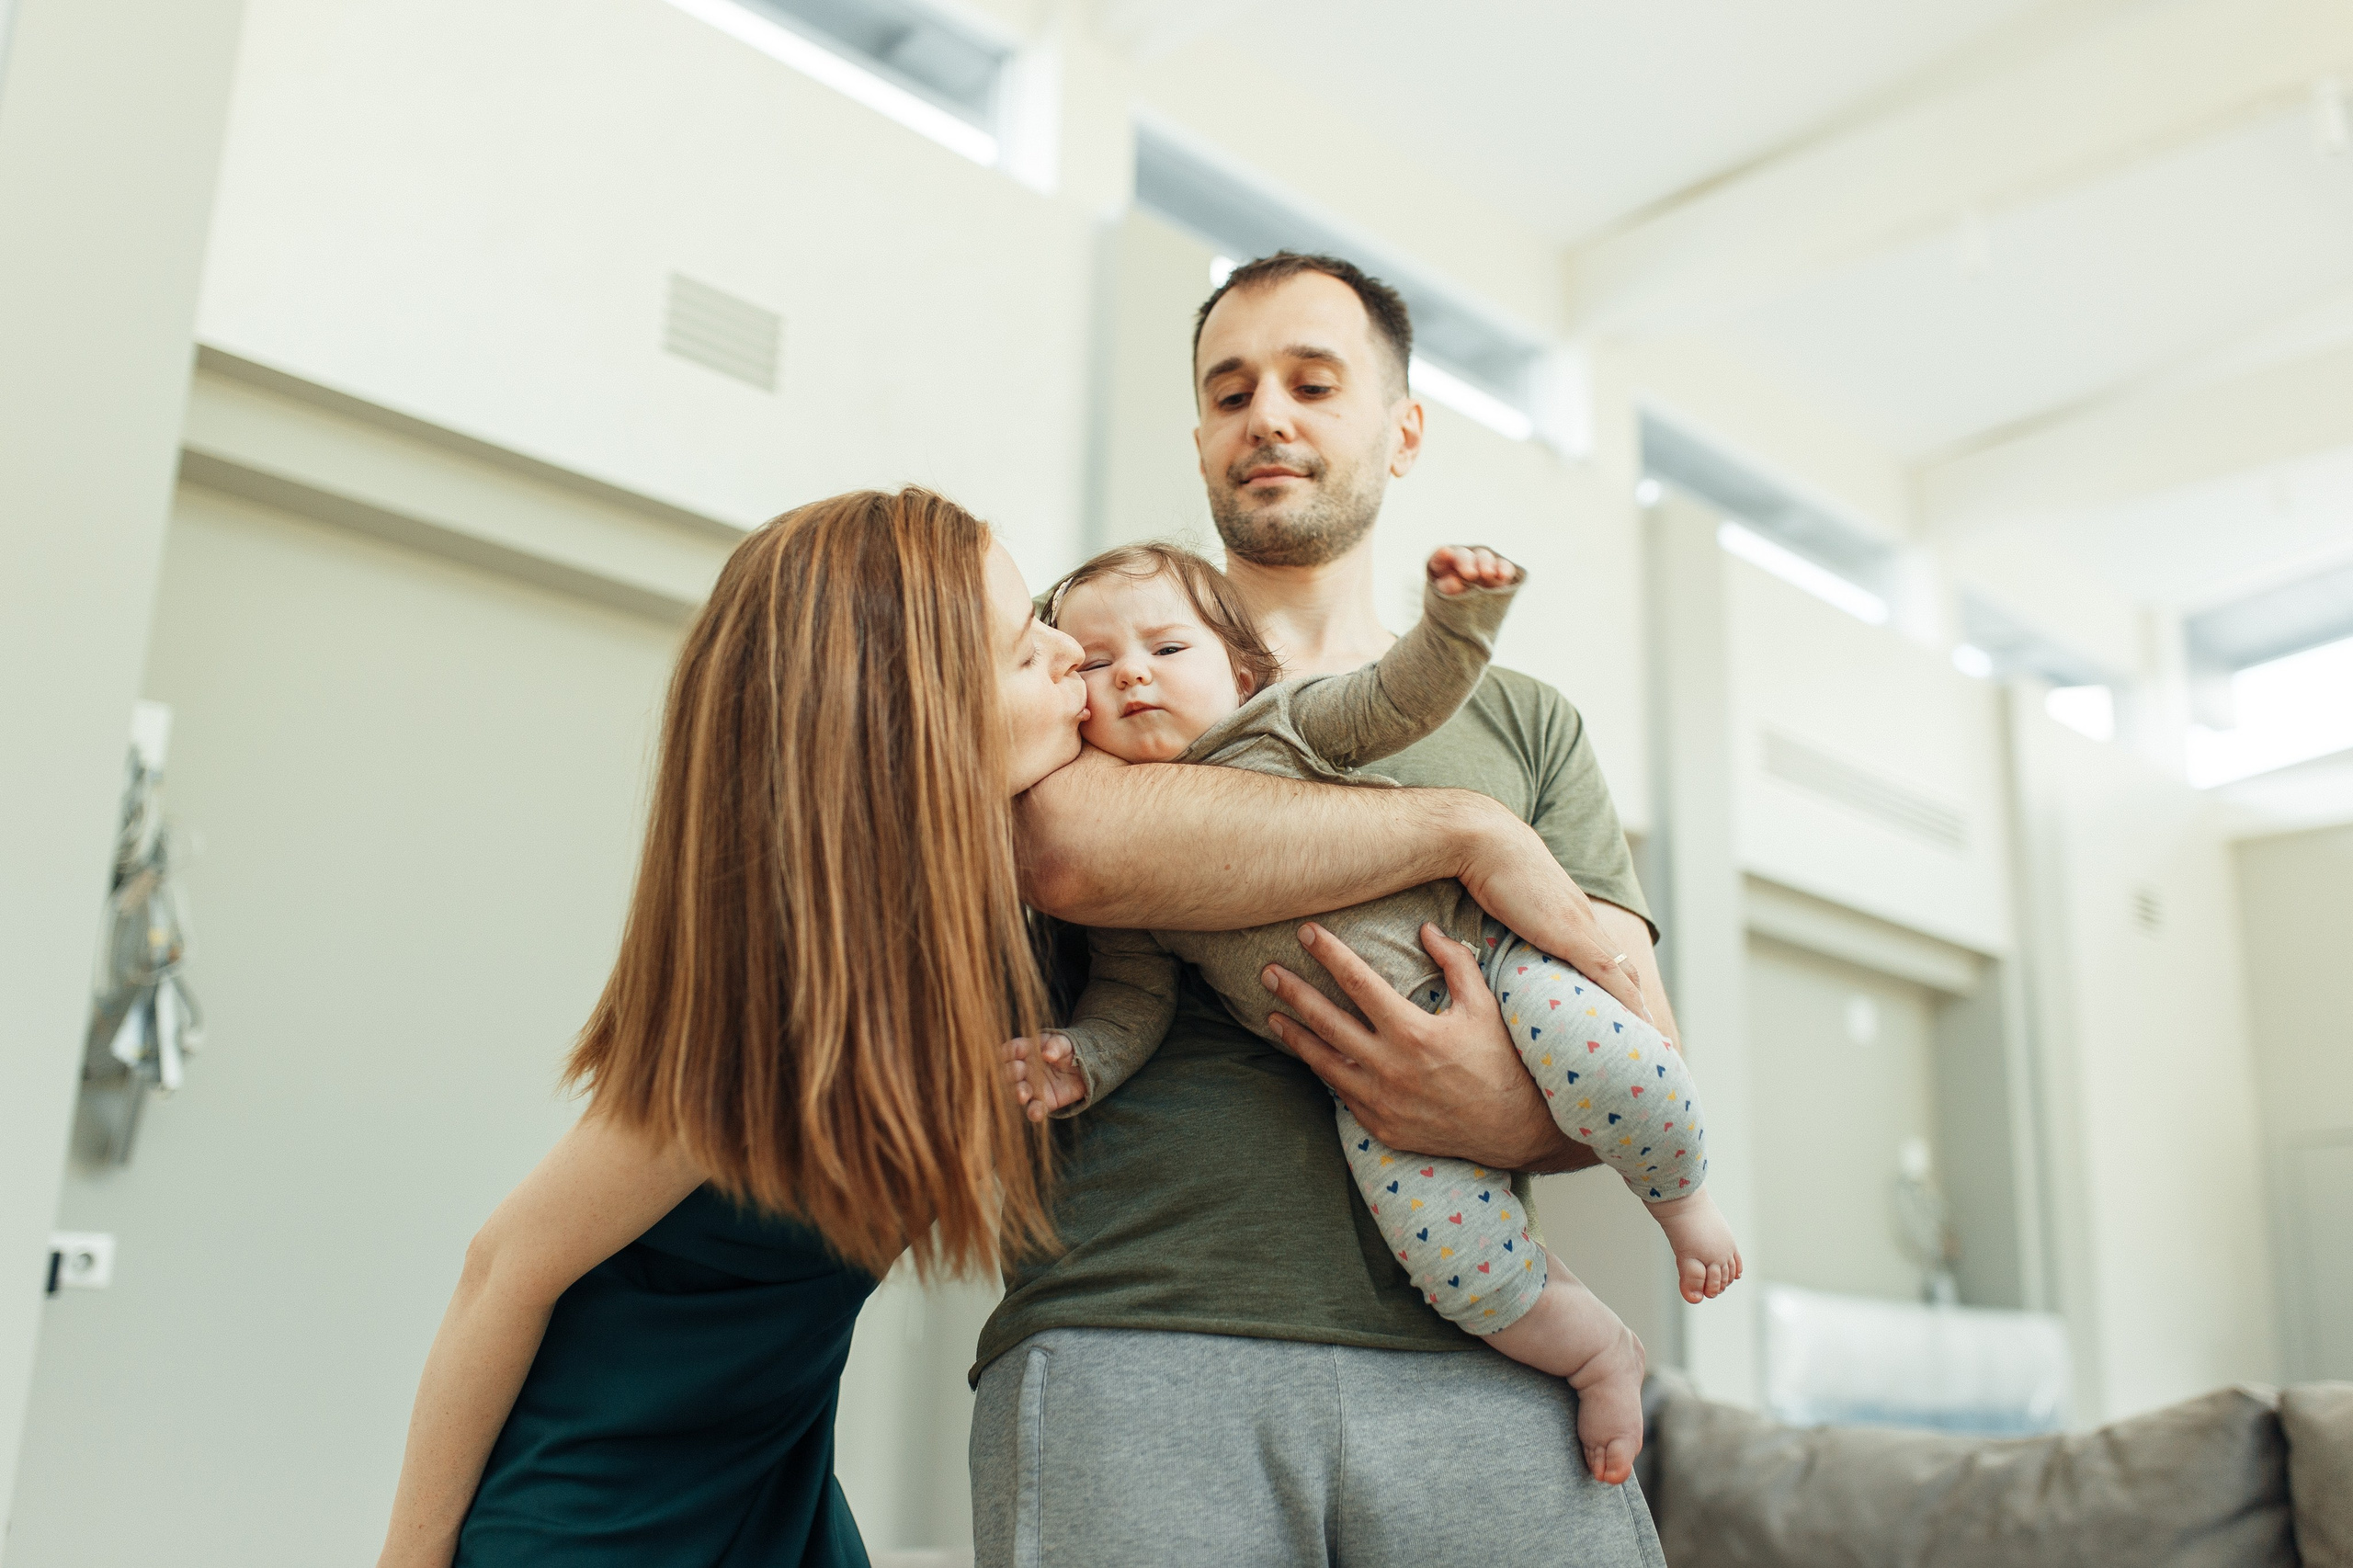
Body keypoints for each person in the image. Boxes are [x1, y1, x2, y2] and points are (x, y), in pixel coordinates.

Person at [374, 485, 1642, 1567]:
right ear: (903, 713)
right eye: (1023, 644)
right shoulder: (784, 1000)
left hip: (774, 1481)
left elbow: (1154, 844)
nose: (1069, 660)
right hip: (603, 1509)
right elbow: (506, 1267)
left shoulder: (987, 925)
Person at [972, 253, 1682, 1567]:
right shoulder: (1083, 668)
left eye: (1313, 381)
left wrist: (1497, 1103)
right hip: (1143, 1336)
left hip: (1485, 1348)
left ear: (1403, 428)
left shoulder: (1527, 723)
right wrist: (1459, 834)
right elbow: (1065, 851)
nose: (1270, 417)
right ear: (1199, 439)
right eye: (1231, 392)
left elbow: (1638, 1032)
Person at [1004, 539, 1739, 1483]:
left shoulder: (1289, 724)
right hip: (1362, 1096)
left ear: (1241, 667)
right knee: (1457, 1263)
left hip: (1489, 963)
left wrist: (1455, 620)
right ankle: (1596, 1348)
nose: (1132, 673)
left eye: (1168, 650)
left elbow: (1399, 695)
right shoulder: (1119, 868)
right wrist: (1081, 1056)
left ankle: (1687, 1204)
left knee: (1617, 1061)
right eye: (1097, 664)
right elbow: (1129, 998)